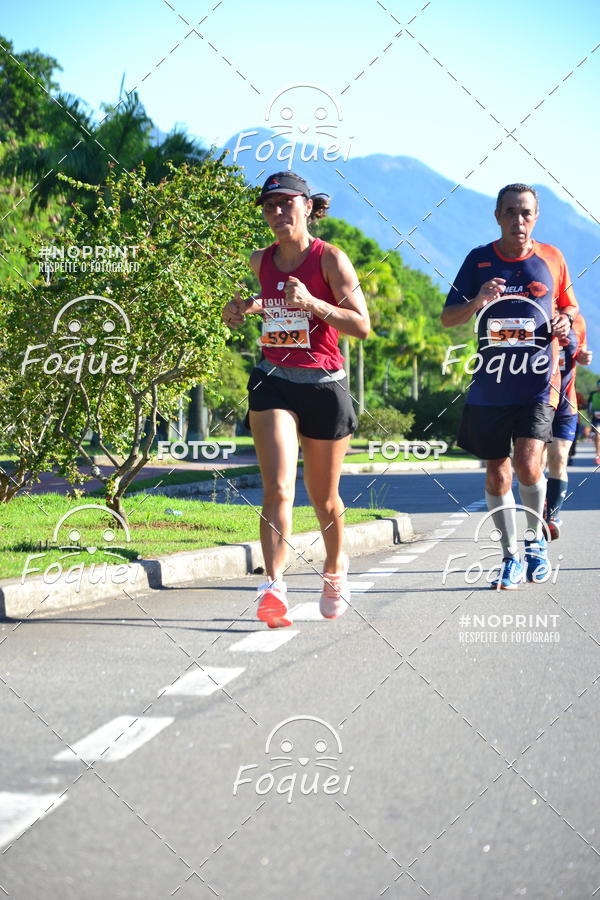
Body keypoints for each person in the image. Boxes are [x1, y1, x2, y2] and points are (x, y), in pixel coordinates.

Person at [221, 172, 370, 626]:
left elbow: (361, 325)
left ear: (308, 207)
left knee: (323, 498)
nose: (279, 212)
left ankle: (334, 568)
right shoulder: (259, 260)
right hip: (274, 381)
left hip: (324, 384)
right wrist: (244, 309)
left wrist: (314, 304)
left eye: (288, 203)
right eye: (270, 206)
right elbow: (269, 304)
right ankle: (273, 586)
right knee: (279, 487)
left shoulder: (331, 260)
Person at [441, 183, 578, 590]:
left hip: (538, 380)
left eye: (526, 213)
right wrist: (477, 301)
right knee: (497, 473)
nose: (519, 220)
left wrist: (565, 321)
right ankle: (510, 556)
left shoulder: (552, 258)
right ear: (497, 216)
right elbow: (449, 318)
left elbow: (569, 306)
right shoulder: (479, 260)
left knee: (528, 464)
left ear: (536, 217)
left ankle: (535, 542)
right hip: (491, 383)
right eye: (511, 212)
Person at [544, 313, 592, 538]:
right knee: (534, 463)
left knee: (559, 457)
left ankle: (551, 516)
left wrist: (583, 355)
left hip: (565, 403)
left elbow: (580, 350)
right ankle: (540, 503)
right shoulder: (533, 310)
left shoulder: (578, 321)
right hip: (536, 402)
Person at [588, 378, 600, 465]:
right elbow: (589, 407)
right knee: (597, 435)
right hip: (596, 418)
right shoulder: (593, 394)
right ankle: (598, 455)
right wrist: (591, 414)